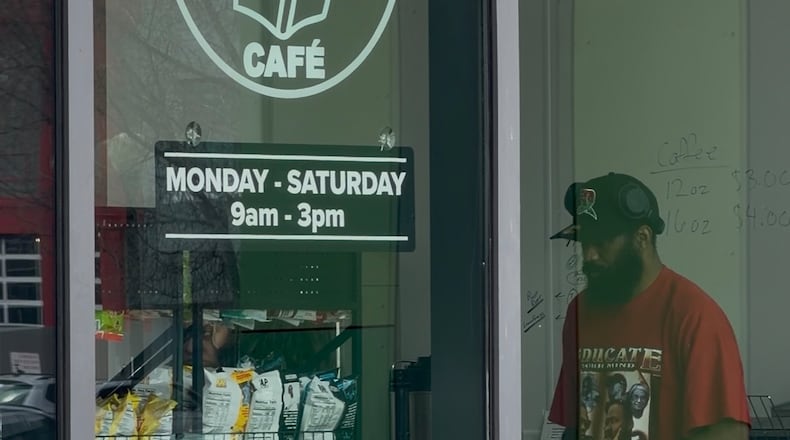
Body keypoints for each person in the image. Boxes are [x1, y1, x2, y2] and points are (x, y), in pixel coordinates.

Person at [548, 172, 750, 440]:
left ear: (642, 238)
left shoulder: (695, 316)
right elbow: (575, 423)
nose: (589, 255)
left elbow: (727, 434)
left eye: (602, 242)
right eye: (585, 243)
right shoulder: (579, 311)